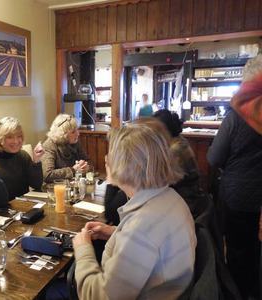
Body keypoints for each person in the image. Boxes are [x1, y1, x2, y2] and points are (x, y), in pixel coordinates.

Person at [73, 123, 196, 300]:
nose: (107, 158)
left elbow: (98, 297)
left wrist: (83, 249)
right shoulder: (170, 197)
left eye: (112, 154)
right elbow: (152, 247)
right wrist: (114, 232)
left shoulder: (142, 228)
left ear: (127, 166)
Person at [207, 104, 262, 297]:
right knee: (255, 250)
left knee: (238, 249)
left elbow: (214, 158)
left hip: (239, 194)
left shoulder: (237, 118)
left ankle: (237, 292)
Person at [0, 117, 44, 201]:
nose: (16, 141)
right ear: (0, 139)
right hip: (1, 211)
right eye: (10, 137)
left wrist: (36, 160)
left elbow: (36, 185)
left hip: (24, 207)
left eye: (19, 136)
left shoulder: (23, 156)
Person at [41, 114, 89, 183]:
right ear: (63, 134)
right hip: (54, 189)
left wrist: (86, 166)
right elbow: (47, 175)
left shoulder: (75, 142)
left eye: (77, 130)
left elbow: (87, 161)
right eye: (73, 132)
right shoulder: (49, 146)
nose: (78, 134)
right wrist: (73, 170)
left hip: (73, 186)